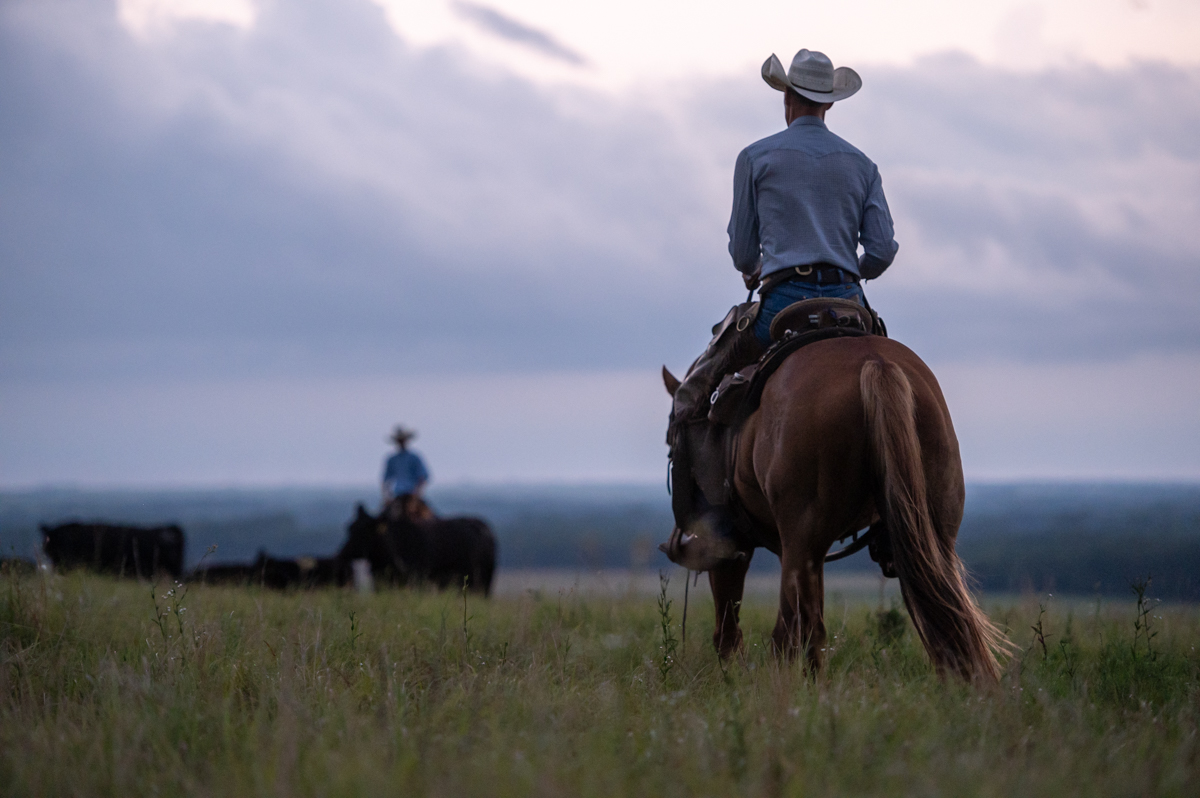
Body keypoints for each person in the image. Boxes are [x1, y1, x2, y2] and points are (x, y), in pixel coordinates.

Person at [666, 49, 898, 564]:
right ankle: (891, 520)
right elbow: (881, 250)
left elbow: (743, 254)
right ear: (829, 106)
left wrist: (763, 267)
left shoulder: (756, 157)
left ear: (788, 100)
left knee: (694, 400)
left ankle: (715, 524)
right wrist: (846, 268)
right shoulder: (862, 164)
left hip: (782, 305)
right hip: (850, 305)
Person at [381, 426, 430, 519]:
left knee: (428, 520)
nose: (401, 443)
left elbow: (423, 477)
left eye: (402, 440)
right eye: (399, 441)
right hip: (397, 496)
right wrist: (386, 497)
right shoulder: (392, 459)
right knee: (383, 519)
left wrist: (417, 494)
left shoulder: (414, 457)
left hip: (412, 495)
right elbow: (385, 480)